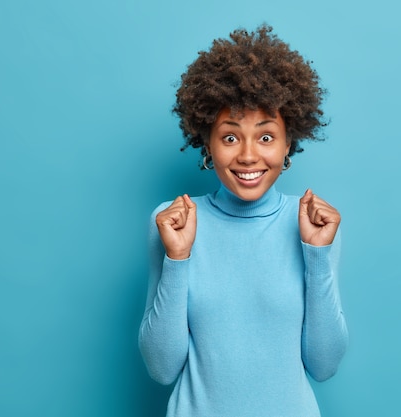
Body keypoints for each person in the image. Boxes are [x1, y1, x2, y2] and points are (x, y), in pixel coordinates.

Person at [139, 24, 348, 417]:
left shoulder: (315, 225)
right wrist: (177, 258)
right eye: (230, 137)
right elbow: (161, 368)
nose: (249, 156)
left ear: (289, 143)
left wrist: (316, 256)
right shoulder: (173, 223)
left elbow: (325, 365)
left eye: (266, 137)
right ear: (207, 143)